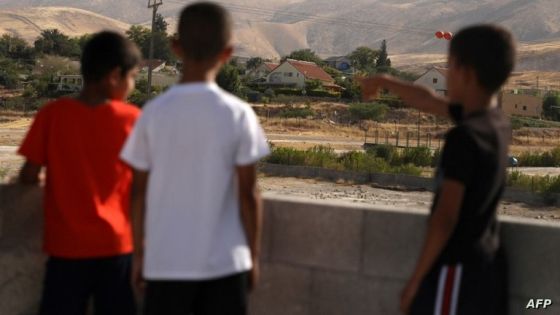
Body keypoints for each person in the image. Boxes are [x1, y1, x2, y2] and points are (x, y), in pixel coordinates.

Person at [120, 2, 269, 315]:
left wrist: (138, 254)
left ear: (175, 47)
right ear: (227, 53)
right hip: (227, 266)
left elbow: (138, 192)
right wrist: (253, 256)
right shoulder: (239, 114)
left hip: (165, 266)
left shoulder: (151, 114)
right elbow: (248, 194)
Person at [362, 24, 514, 315]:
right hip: (487, 269)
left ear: (465, 73)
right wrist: (384, 80)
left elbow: (445, 219)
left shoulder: (464, 137)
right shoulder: (497, 124)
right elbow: (428, 100)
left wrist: (415, 282)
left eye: (449, 66)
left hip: (456, 274)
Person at [18, 31, 141, 315]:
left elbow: (28, 174)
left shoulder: (52, 114)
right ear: (114, 76)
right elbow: (142, 185)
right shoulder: (132, 120)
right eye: (132, 77)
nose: (132, 85)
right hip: (115, 247)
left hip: (65, 249)